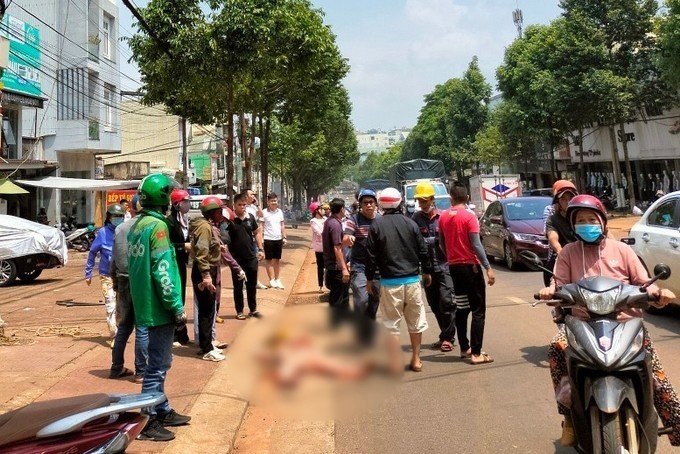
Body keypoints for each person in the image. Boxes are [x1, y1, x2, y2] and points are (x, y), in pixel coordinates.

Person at [539, 194, 680, 447]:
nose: (586, 224)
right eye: (580, 220)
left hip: (626, 324)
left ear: (603, 221)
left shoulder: (623, 250)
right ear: (572, 225)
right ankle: (569, 418)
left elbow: (642, 282)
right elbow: (558, 283)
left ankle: (675, 426)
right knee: (556, 347)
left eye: (591, 219)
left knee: (657, 376)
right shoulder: (568, 253)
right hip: (582, 325)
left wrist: (657, 292)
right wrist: (552, 291)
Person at [127, 173, 191, 441]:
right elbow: (163, 271)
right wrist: (176, 306)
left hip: (144, 302)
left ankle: (162, 408)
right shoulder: (159, 228)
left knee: (160, 361)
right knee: (158, 365)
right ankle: (148, 420)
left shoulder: (137, 225)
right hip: (159, 306)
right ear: (165, 198)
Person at [365, 187, 432, 374]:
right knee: (416, 322)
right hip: (412, 281)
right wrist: (427, 272)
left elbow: (370, 255)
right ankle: (416, 359)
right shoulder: (411, 224)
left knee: (391, 323)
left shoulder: (376, 226)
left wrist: (369, 279)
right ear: (400, 202)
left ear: (381, 204)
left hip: (389, 282)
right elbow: (423, 250)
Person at [439, 183, 496, 365]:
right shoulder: (469, 217)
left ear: (451, 198)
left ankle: (465, 348)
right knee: (478, 310)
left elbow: (441, 243)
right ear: (467, 198)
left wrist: (451, 256)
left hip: (454, 268)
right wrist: (487, 267)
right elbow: (476, 244)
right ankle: (477, 353)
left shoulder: (443, 217)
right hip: (470, 268)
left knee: (462, 308)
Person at [411, 182, 456, 352]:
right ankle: (445, 334)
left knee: (447, 301)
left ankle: (448, 337)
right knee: (434, 304)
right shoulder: (415, 219)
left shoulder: (444, 217)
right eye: (420, 201)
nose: (423, 204)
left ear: (432, 199)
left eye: (425, 200)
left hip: (445, 267)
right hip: (427, 270)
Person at [109, 195, 148, 383]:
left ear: (131, 208)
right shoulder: (147, 227)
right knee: (142, 326)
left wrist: (115, 282)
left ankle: (116, 367)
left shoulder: (120, 228)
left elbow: (113, 258)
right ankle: (141, 371)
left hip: (122, 279)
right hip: (140, 280)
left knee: (124, 326)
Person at [189, 196, 231, 362]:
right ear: (213, 212)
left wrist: (218, 247)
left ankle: (207, 345)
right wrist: (206, 276)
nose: (222, 214)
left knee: (208, 309)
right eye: (220, 211)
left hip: (206, 270)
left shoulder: (206, 226)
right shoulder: (205, 227)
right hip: (205, 272)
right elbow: (201, 252)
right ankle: (206, 348)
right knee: (206, 311)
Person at [343, 188, 381, 344]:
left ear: (376, 204)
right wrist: (348, 238)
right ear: (360, 205)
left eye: (371, 202)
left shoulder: (381, 219)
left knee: (374, 300)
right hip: (359, 266)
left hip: (378, 268)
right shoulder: (354, 220)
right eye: (365, 203)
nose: (369, 205)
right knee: (362, 299)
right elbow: (346, 236)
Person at [85, 203, 125, 343]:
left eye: (121, 216)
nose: (118, 218)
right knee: (110, 304)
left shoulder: (125, 231)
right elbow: (92, 253)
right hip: (106, 275)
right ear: (109, 217)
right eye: (115, 216)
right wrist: (88, 273)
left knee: (121, 306)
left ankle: (119, 331)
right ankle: (114, 334)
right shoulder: (102, 233)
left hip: (122, 275)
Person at [226, 192, 265, 319]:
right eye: (239, 205)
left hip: (251, 257)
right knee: (238, 286)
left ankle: (253, 309)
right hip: (236, 259)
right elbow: (225, 239)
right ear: (234, 205)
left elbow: (257, 233)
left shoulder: (251, 218)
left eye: (244, 205)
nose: (242, 207)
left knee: (252, 284)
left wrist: (260, 249)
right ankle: (239, 311)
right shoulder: (230, 220)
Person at [166, 189, 191, 345]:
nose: (188, 204)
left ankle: (181, 331)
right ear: (176, 205)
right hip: (173, 264)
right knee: (175, 295)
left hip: (182, 264)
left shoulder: (185, 220)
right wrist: (183, 246)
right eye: (185, 202)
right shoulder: (169, 222)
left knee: (181, 296)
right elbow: (167, 245)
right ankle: (175, 333)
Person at [322, 198, 351, 327]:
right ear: (342, 209)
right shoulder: (334, 224)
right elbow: (337, 247)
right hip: (336, 267)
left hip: (334, 265)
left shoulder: (331, 222)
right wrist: (344, 268)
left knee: (342, 297)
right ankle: (335, 325)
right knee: (338, 297)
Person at [543, 180, 578, 287]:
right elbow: (553, 237)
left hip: (585, 256)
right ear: (558, 201)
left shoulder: (583, 214)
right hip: (562, 257)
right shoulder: (552, 218)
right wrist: (560, 252)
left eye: (571, 199)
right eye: (564, 199)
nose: (568, 202)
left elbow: (605, 233)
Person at [261, 192, 287, 289]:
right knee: (269, 260)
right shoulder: (264, 212)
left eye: (275, 201)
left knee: (277, 260)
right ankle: (271, 280)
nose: (274, 202)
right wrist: (261, 239)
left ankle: (277, 279)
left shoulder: (280, 212)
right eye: (271, 201)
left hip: (278, 239)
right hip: (268, 238)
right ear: (268, 202)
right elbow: (261, 226)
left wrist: (284, 237)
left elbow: (282, 225)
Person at [309, 201, 326, 293]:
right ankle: (320, 285)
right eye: (321, 209)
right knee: (320, 266)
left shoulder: (326, 219)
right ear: (316, 211)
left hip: (328, 247)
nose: (324, 210)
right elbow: (319, 233)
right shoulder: (313, 221)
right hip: (319, 247)